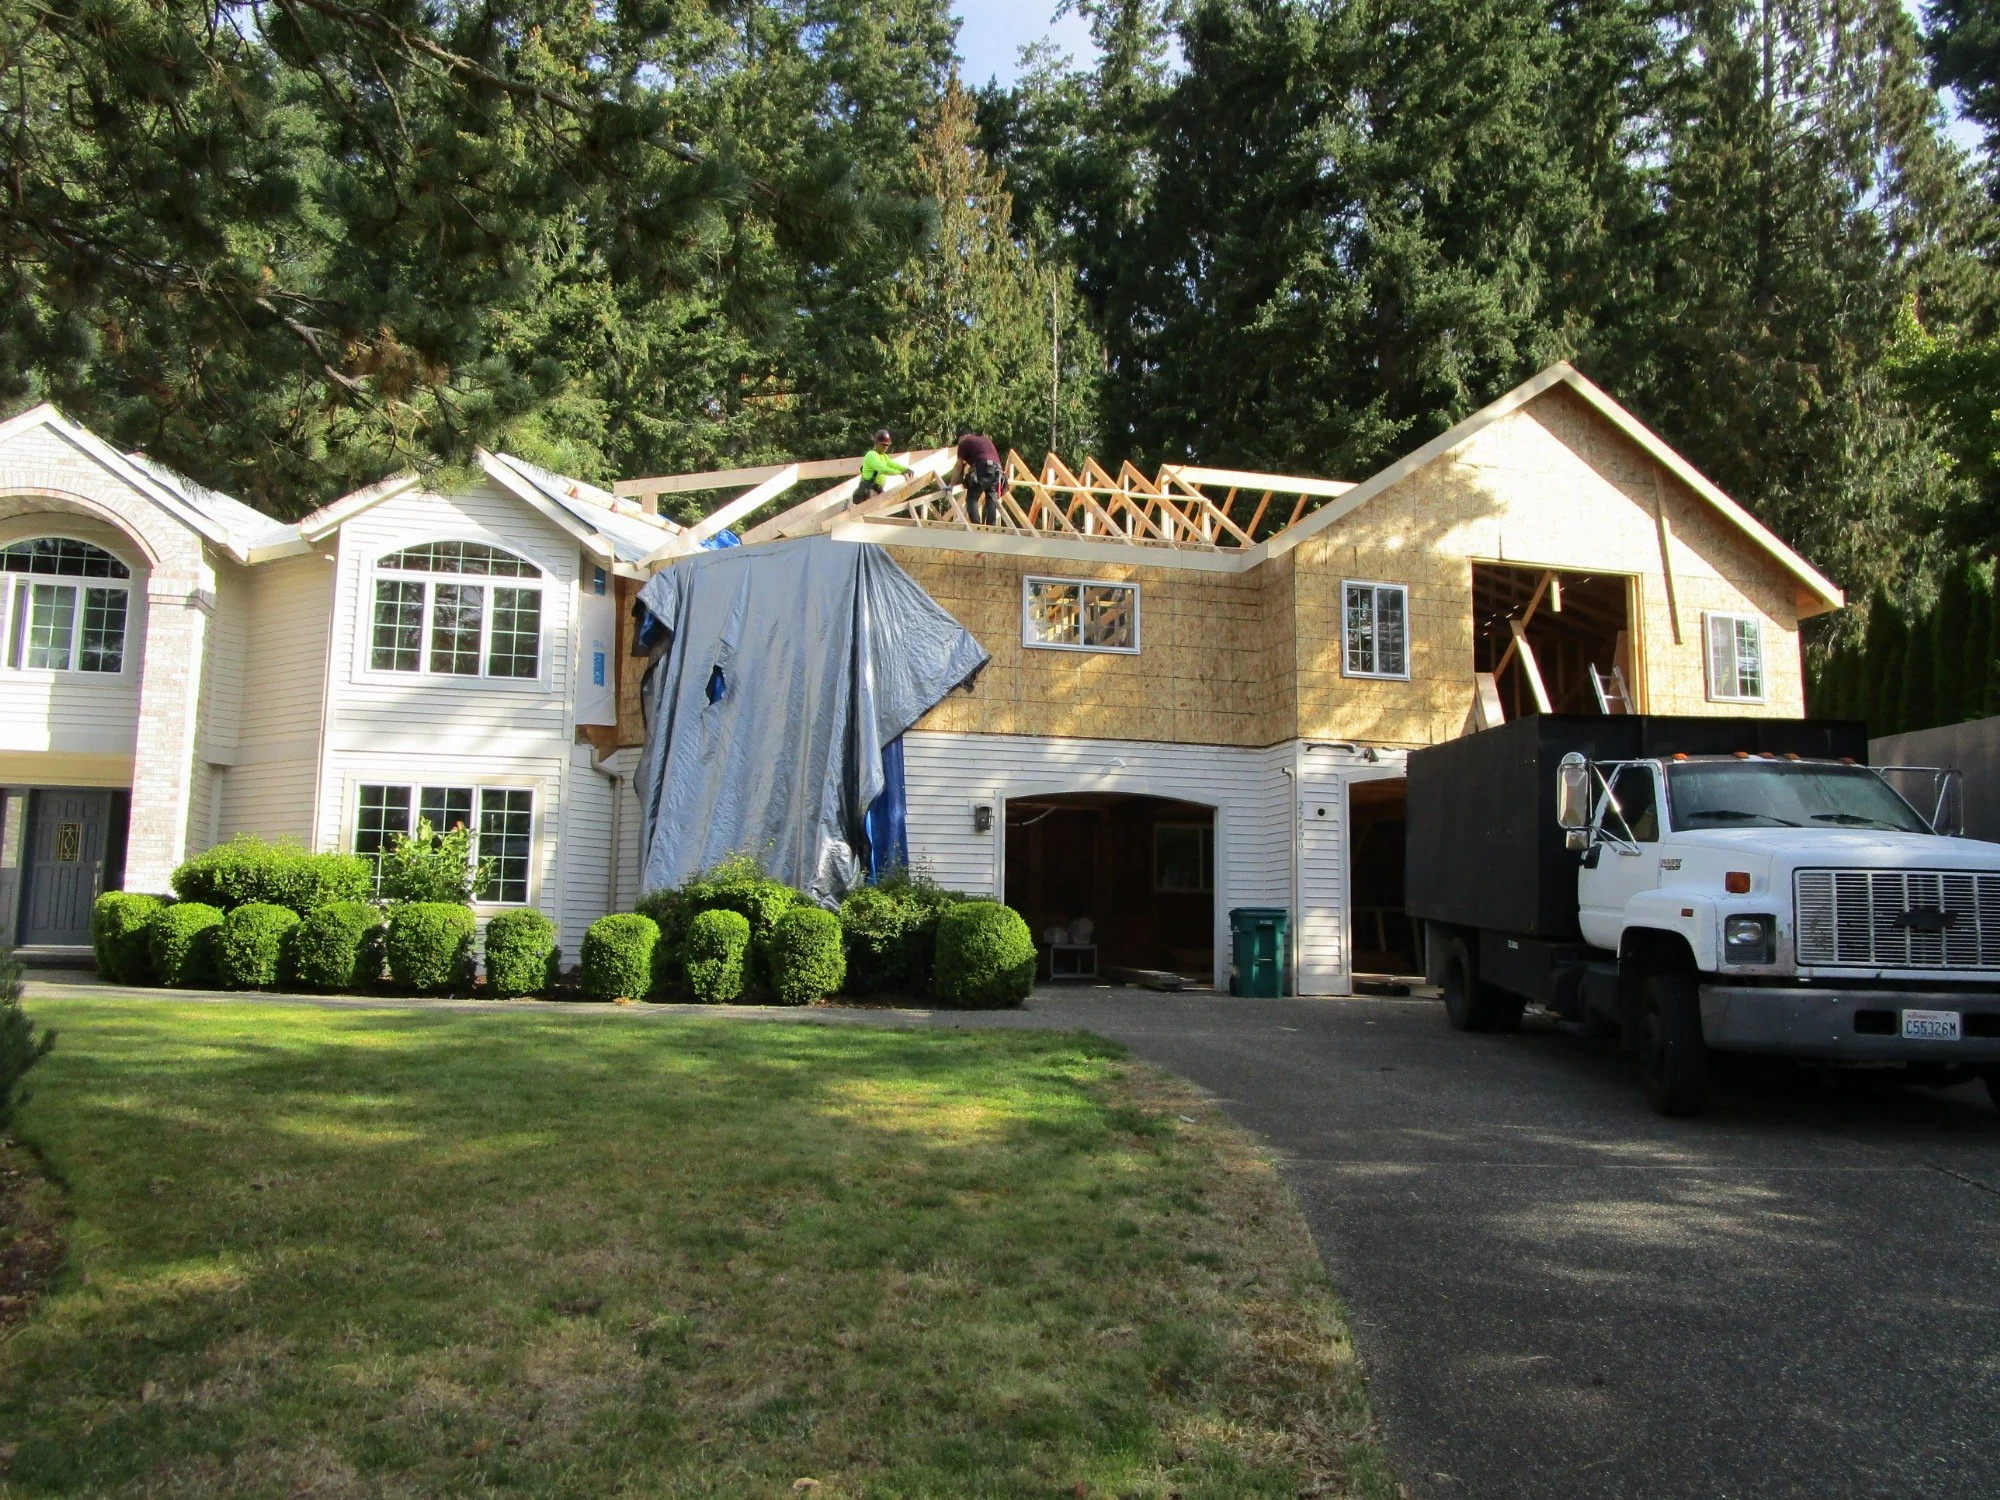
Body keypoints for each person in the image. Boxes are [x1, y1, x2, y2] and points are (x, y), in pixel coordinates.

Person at [952, 429, 1003, 526]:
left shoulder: (965, 443)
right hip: (998, 470)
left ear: (964, 436)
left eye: (958, 441)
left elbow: (958, 466)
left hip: (983, 467)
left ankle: (977, 527)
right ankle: (991, 528)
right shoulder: (985, 440)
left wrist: (951, 485)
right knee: (991, 498)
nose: (959, 444)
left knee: (972, 497)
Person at [853, 430, 909, 505]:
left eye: (887, 445)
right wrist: (901, 472)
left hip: (877, 491)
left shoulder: (883, 456)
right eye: (883, 445)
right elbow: (883, 469)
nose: (885, 447)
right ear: (876, 443)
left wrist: (905, 469)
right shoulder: (871, 455)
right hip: (869, 492)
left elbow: (893, 464)